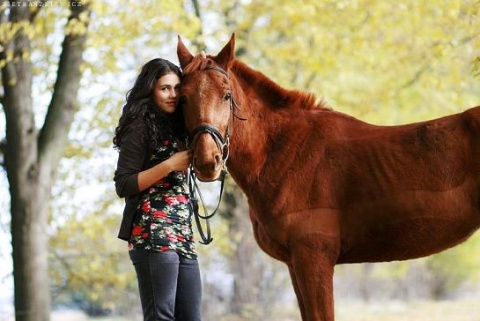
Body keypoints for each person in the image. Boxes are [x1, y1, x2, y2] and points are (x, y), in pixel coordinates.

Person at [113, 58, 202, 321]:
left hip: (183, 234)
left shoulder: (180, 126)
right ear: (150, 89)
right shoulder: (139, 126)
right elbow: (124, 183)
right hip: (152, 232)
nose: (172, 94)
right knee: (161, 317)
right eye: (165, 88)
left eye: (176, 88)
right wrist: (170, 164)